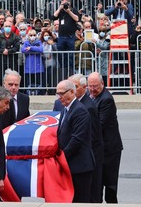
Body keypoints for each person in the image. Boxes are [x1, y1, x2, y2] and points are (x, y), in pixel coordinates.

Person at [53, 74, 104, 203]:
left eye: (61, 94)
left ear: (71, 92)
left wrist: (62, 157)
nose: (59, 97)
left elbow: (77, 139)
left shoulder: (80, 110)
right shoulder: (66, 109)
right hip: (71, 164)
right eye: (57, 94)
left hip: (80, 166)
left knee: (81, 201)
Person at [87, 72, 123, 203]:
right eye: (90, 86)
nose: (92, 89)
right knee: (97, 183)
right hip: (98, 148)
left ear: (102, 84)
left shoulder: (106, 99)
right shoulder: (89, 96)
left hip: (110, 150)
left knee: (110, 184)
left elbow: (100, 125)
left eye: (95, 86)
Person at [53, 0, 79, 73]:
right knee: (61, 55)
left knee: (70, 56)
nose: (64, 5)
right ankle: (62, 71)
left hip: (70, 36)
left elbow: (77, 19)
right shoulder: (60, 11)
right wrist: (59, 8)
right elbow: (53, 17)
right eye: (62, 3)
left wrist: (68, 11)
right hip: (61, 37)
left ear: (69, 3)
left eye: (65, 3)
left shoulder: (73, 10)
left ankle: (70, 71)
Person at [0, 20, 20, 85]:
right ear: (3, 27)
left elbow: (17, 47)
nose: (7, 27)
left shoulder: (15, 36)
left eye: (9, 26)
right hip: (1, 60)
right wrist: (2, 51)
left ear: (11, 27)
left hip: (12, 60)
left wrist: (9, 51)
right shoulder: (0, 36)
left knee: (13, 77)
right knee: (0, 77)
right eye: (6, 26)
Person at [21, 29, 45, 94]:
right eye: (31, 35)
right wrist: (35, 50)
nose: (32, 36)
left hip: (38, 68)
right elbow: (23, 50)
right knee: (28, 84)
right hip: (28, 68)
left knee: (39, 83)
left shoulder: (39, 42)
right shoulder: (26, 42)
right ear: (28, 36)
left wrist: (31, 48)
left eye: (34, 35)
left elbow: (41, 49)